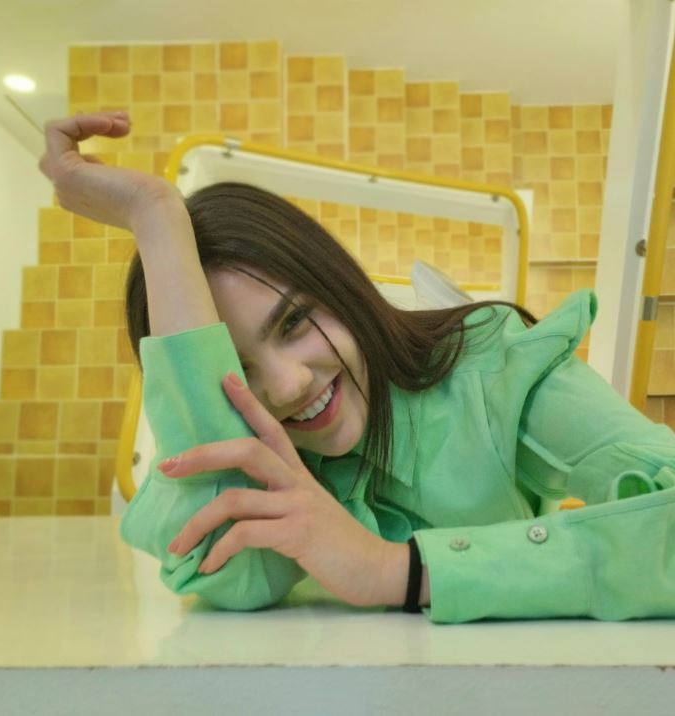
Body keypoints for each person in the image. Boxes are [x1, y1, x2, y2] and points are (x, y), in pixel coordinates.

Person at [40, 111, 675, 623]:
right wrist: (155, 218)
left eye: (294, 322)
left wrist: (397, 570)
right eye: (236, 368)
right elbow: (229, 575)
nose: (288, 385)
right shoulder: (269, 459)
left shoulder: (497, 366)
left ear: (340, 285)